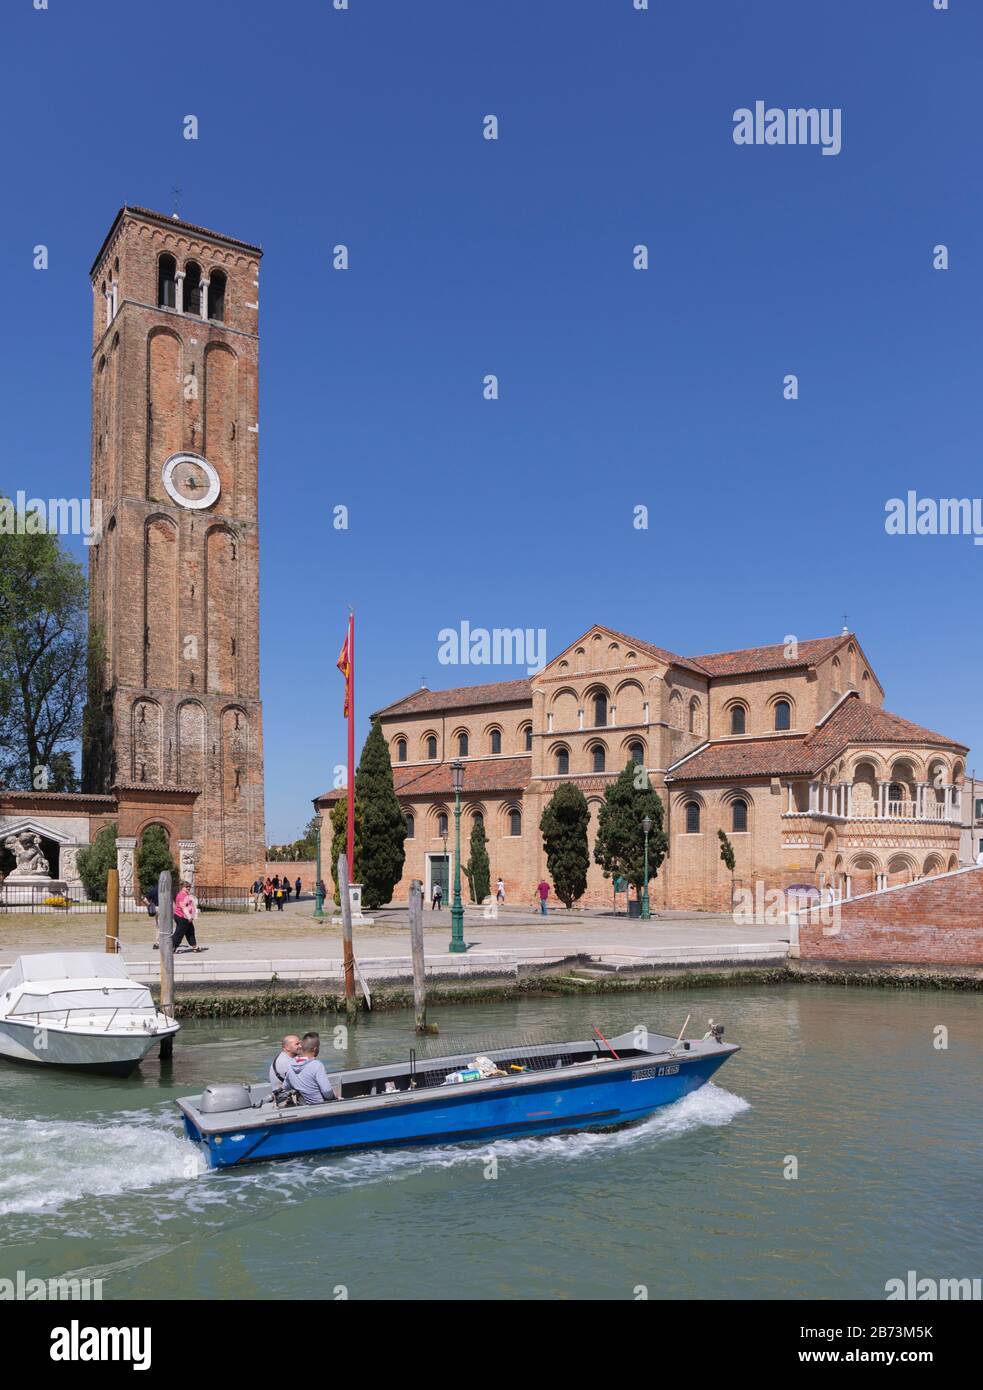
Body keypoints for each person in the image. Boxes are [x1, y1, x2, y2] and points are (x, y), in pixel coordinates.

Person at [283, 1033, 335, 1105]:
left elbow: (286, 1086)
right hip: (320, 1106)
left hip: (303, 1105)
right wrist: (335, 1096)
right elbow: (327, 1092)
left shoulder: (290, 1064)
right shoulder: (317, 1065)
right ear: (315, 1049)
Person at [172, 880, 201, 951]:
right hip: (182, 917)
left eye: (189, 887)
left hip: (185, 918)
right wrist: (189, 917)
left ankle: (195, 947)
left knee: (190, 931)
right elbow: (183, 907)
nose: (188, 888)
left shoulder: (186, 895)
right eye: (186, 886)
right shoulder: (182, 895)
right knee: (179, 933)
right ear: (182, 887)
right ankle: (172, 947)